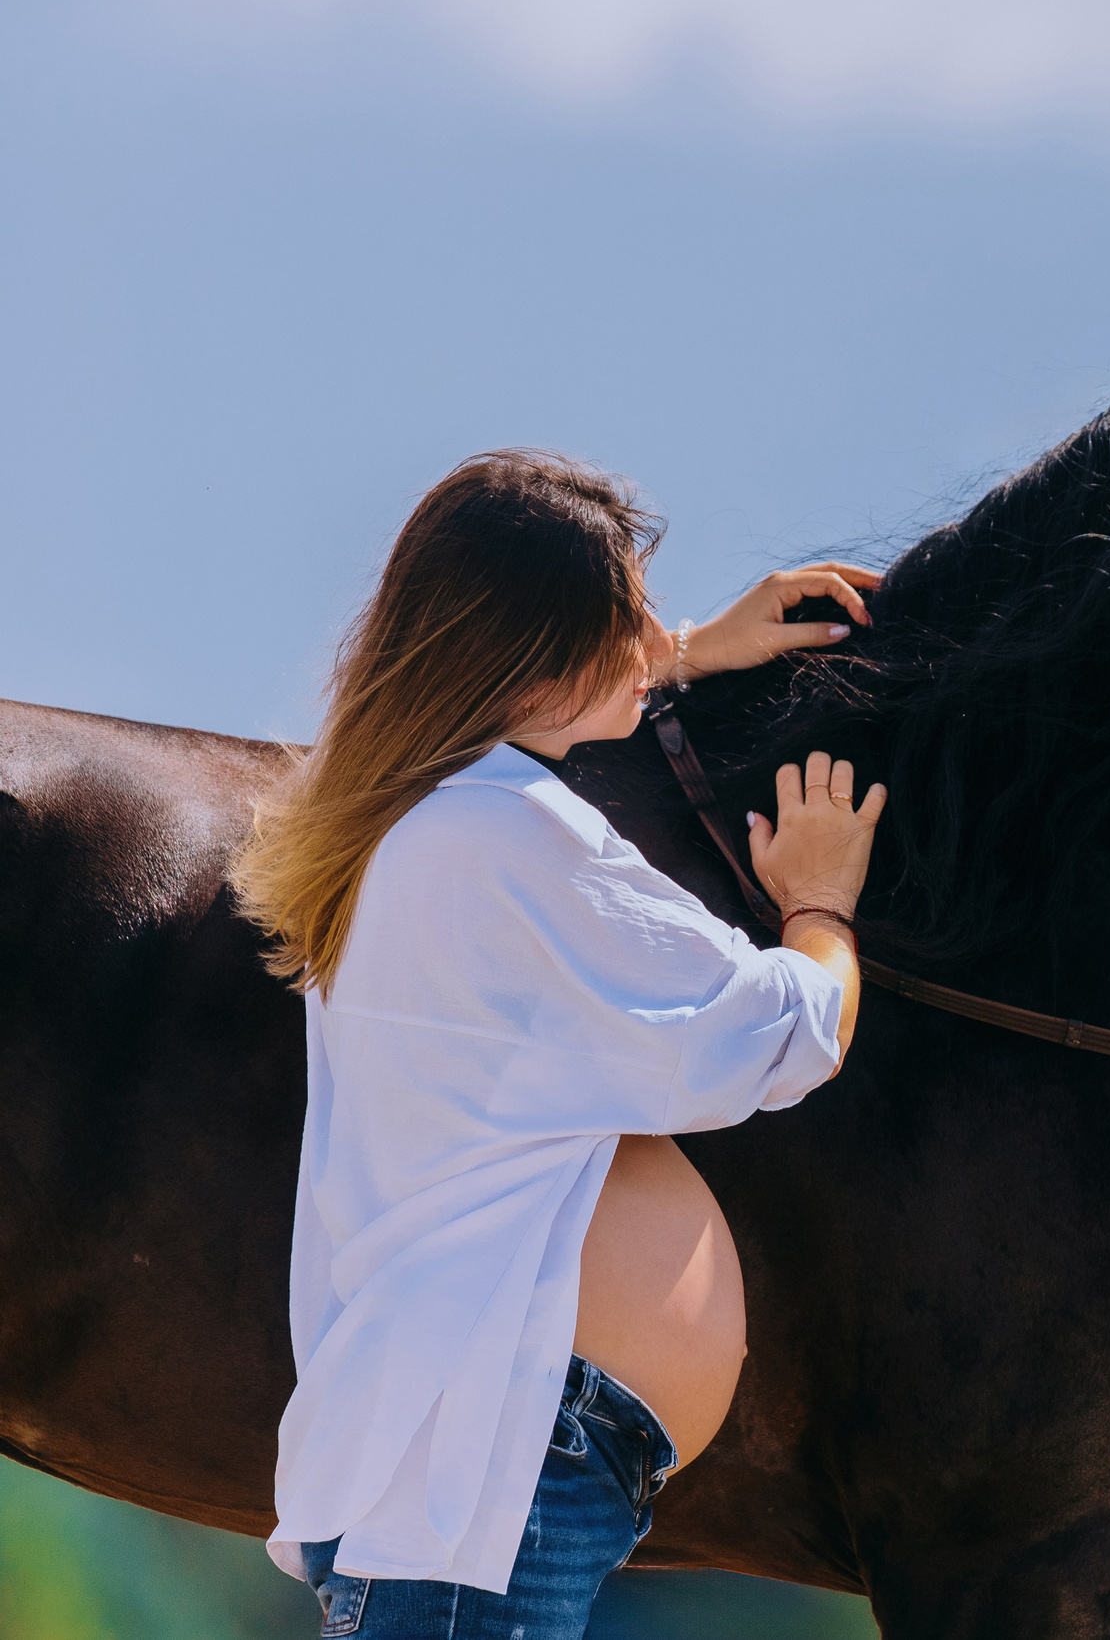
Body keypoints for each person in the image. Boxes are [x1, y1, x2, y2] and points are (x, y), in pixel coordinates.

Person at [232, 450, 886, 1638]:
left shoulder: (398, 812)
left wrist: (681, 648)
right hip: (492, 1464)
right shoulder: (511, 837)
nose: (649, 634)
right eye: (619, 618)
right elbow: (788, 1034)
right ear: (524, 657)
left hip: (467, 1467)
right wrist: (820, 907)